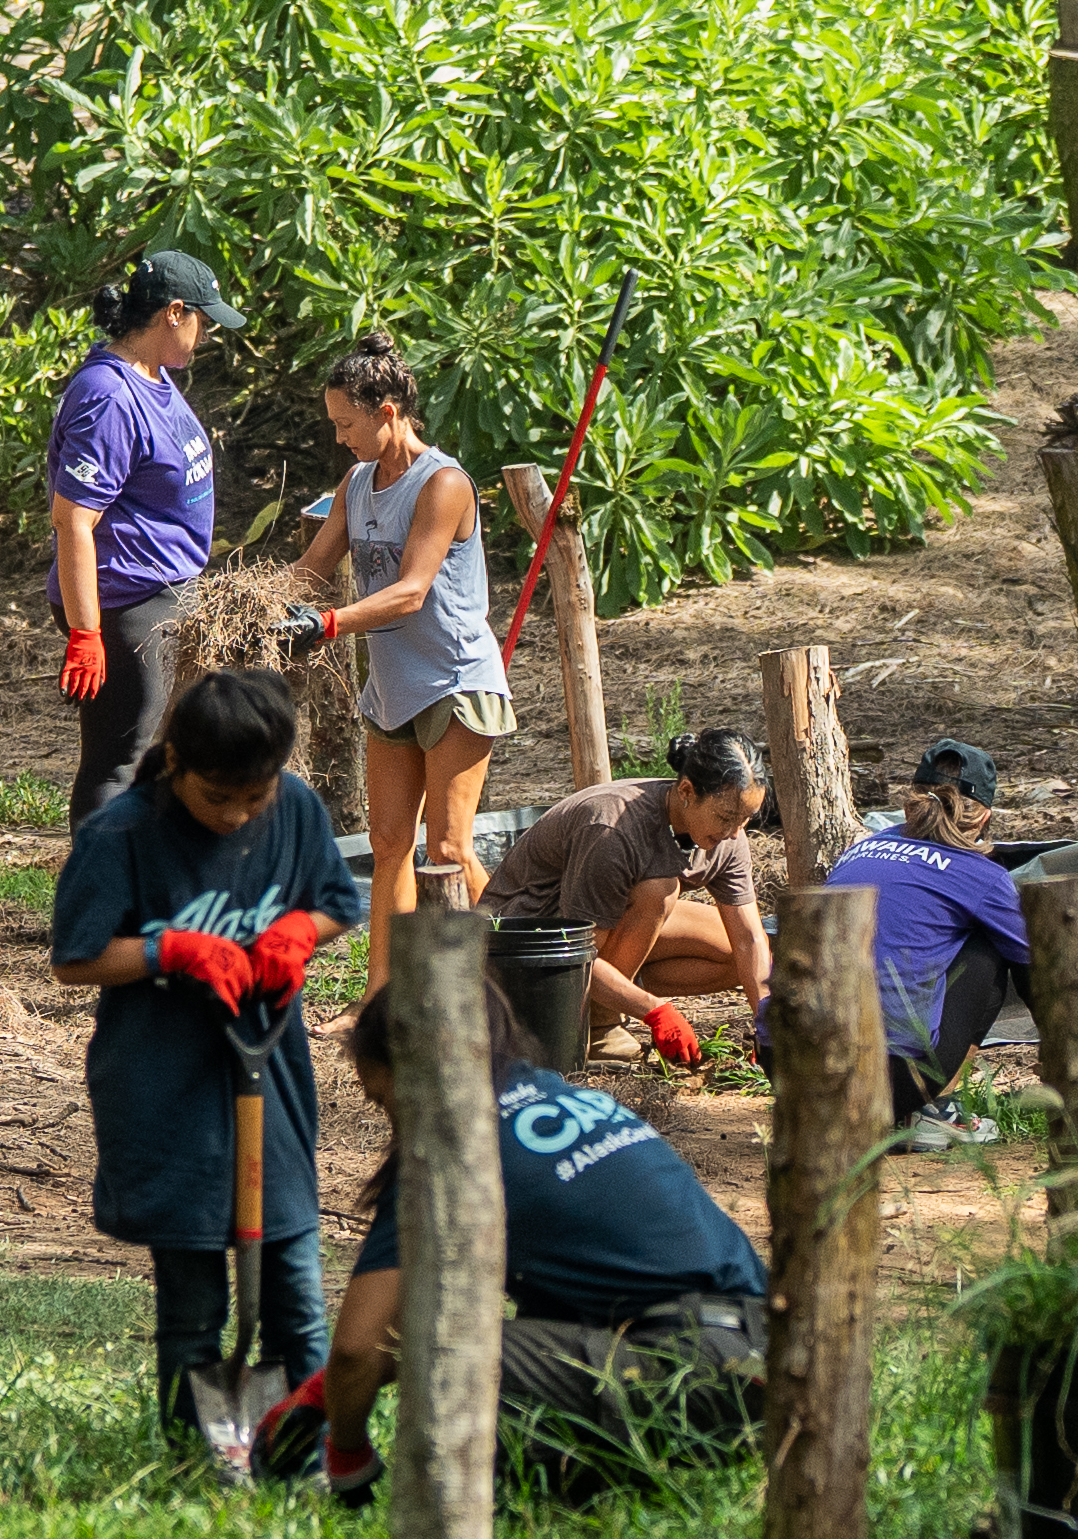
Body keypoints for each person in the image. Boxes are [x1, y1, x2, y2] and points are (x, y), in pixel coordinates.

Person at [271, 992, 775, 1508]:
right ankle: (595, 1494)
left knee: (447, 1354)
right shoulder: (558, 1094)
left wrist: (347, 1459)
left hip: (695, 1377)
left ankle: (536, 1512)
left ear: (414, 1074)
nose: (393, 1125)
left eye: (385, 1102)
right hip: (767, 1359)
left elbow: (359, 1347)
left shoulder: (452, 1147)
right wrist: (324, 1388)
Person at [45, 666, 362, 1458]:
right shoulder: (121, 833)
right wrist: (170, 951)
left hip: (269, 1073)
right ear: (178, 764)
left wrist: (298, 932)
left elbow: (335, 902)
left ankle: (310, 1449)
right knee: (190, 1295)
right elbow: (75, 958)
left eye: (253, 797)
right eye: (218, 798)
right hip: (163, 1085)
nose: (238, 815)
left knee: (296, 1286)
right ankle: (198, 1455)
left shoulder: (294, 810)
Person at [291, 337, 502, 921]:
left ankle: (538, 963)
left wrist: (328, 624)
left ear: (387, 412)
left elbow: (411, 592)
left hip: (454, 683)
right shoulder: (356, 484)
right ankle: (379, 1004)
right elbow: (310, 572)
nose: (340, 438)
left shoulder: (443, 483)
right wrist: (242, 604)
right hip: (391, 690)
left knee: (449, 849)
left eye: (346, 423)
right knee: (389, 848)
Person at [51, 248, 234, 816]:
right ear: (173, 313)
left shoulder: (151, 375)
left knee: (167, 757)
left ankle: (148, 881)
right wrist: (87, 633)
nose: (205, 334)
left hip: (166, 592)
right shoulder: (106, 396)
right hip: (127, 604)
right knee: (119, 760)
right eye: (203, 319)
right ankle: (101, 896)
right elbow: (73, 520)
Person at [486, 734, 769, 1068]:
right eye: (726, 817)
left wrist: (769, 1024)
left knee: (739, 954)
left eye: (745, 819)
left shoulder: (728, 838)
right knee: (659, 891)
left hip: (599, 933)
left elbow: (749, 938)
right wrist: (655, 1010)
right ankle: (598, 1025)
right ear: (687, 792)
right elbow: (579, 950)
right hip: (527, 948)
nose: (735, 832)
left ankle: (614, 994)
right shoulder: (612, 829)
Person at [838, 740, 1038, 1151]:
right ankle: (930, 1108)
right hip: (887, 1080)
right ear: (985, 817)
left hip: (789, 1065)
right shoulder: (981, 874)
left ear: (910, 801)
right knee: (992, 942)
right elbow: (1039, 962)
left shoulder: (860, 848)